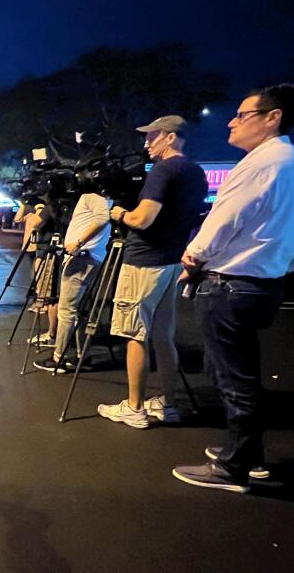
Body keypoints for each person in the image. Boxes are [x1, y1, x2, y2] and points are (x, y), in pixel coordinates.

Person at [172, 85, 294, 493]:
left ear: (272, 117)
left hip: (232, 286)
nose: (232, 121)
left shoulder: (260, 163)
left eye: (242, 114)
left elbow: (224, 219)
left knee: (233, 379)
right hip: (265, 284)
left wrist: (194, 255)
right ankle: (245, 453)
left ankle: (234, 467)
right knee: (242, 374)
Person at [97, 115, 209, 430]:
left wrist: (119, 213)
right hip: (171, 261)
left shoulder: (164, 170)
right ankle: (168, 404)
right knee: (163, 335)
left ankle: (134, 408)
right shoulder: (195, 171)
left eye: (152, 136)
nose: (146, 143)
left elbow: (143, 219)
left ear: (170, 137)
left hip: (143, 262)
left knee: (135, 334)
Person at [33, 187, 112, 372]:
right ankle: (83, 356)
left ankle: (59, 358)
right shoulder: (106, 201)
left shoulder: (90, 196)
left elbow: (102, 219)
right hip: (91, 257)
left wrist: (78, 243)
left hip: (82, 258)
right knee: (79, 311)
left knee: (66, 310)